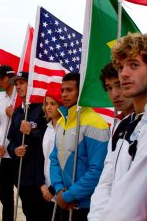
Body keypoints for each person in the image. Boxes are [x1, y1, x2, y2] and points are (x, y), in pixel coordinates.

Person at [88, 33, 147, 221]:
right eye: (121, 67)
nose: (123, 73)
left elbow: (138, 199)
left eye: (134, 65)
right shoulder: (122, 125)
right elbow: (106, 182)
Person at [49, 72, 110, 221]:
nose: (64, 94)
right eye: (62, 90)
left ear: (81, 91)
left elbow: (98, 170)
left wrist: (70, 195)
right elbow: (54, 159)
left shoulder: (96, 123)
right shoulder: (62, 122)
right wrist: (59, 190)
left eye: (69, 90)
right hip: (64, 201)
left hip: (86, 205)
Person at [7, 71, 48, 221]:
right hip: (21, 174)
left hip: (39, 175)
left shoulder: (43, 109)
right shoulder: (17, 113)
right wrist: (14, 150)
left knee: (42, 214)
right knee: (27, 212)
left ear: (31, 84)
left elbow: (49, 137)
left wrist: (31, 131)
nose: (18, 87)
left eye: (22, 83)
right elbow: (11, 140)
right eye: (16, 84)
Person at [0, 65, 16, 221]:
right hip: (0, 153)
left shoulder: (20, 98)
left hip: (16, 154)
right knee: (5, 196)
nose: (0, 81)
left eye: (3, 78)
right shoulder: (0, 99)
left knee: (26, 196)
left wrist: (14, 115)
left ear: (11, 77)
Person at [41, 87, 63, 221]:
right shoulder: (47, 128)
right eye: (46, 103)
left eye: (53, 104)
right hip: (45, 185)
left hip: (58, 187)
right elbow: (42, 157)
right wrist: (42, 185)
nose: (48, 107)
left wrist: (52, 188)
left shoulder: (65, 127)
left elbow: (62, 161)